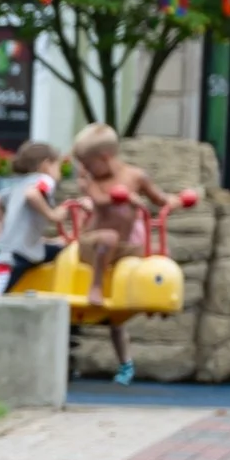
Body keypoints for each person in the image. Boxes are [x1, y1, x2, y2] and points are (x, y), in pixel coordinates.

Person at [68, 125, 173, 381]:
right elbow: (103, 202)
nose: (85, 170)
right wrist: (127, 199)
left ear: (104, 157)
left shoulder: (136, 176)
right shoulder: (93, 182)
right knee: (109, 237)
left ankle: (157, 302)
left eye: (88, 164)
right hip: (94, 244)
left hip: (121, 248)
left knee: (156, 253)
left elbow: (159, 198)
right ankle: (95, 286)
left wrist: (175, 201)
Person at [0, 141, 65, 299]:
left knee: (58, 247)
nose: (59, 171)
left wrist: (10, 228)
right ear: (47, 164)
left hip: (8, 249)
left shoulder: (19, 183)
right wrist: (53, 215)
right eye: (58, 166)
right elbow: (32, 194)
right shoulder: (45, 179)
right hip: (15, 254)